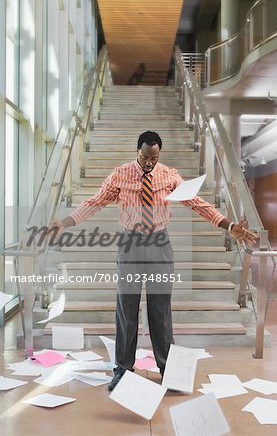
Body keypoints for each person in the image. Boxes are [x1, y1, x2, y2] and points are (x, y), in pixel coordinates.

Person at [48, 131, 257, 391]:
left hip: (159, 245)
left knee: (160, 310)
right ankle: (122, 370)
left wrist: (230, 226)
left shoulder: (169, 175)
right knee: (126, 309)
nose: (149, 162)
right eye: (145, 157)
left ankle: (167, 369)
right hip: (131, 245)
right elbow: (95, 202)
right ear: (138, 151)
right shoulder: (120, 174)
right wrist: (65, 222)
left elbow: (198, 204)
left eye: (154, 158)